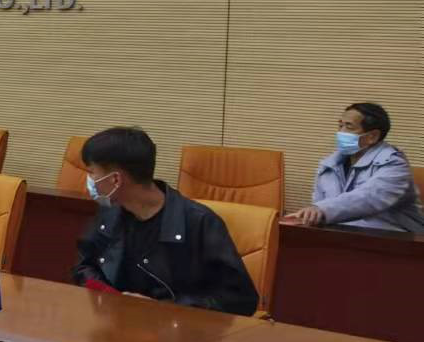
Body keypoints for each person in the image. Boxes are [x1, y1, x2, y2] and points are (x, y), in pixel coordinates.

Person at [73, 127, 258, 315]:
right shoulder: (110, 213)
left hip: (181, 328)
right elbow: (84, 266)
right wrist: (112, 298)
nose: (89, 181)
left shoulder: (200, 222)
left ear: (115, 180)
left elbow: (240, 299)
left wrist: (163, 308)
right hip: (118, 322)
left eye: (92, 172)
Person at [287, 102, 424, 233]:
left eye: (349, 127)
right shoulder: (329, 165)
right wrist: (312, 214)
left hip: (396, 238)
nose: (341, 132)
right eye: (340, 125)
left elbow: (369, 197)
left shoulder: (395, 164)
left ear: (372, 136)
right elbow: (318, 206)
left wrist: (323, 209)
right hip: (343, 235)